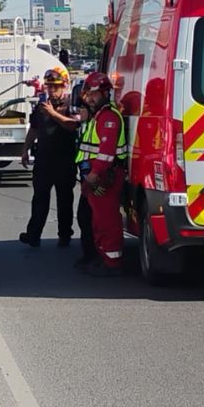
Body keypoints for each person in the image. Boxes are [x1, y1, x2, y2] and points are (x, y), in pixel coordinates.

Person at [19, 67, 83, 249]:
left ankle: (64, 235)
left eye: (55, 87)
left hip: (65, 160)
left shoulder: (71, 104)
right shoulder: (41, 106)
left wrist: (53, 114)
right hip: (44, 159)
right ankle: (33, 235)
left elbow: (73, 126)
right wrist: (25, 149)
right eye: (49, 86)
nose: (52, 90)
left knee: (64, 200)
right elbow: (34, 129)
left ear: (64, 87)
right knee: (39, 198)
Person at [75, 72, 128, 277]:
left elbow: (106, 152)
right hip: (95, 177)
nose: (90, 98)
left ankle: (112, 263)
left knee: (107, 221)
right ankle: (102, 258)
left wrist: (95, 174)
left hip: (105, 177)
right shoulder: (97, 117)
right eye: (88, 95)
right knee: (97, 220)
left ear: (105, 93)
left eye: (94, 95)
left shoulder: (108, 117)